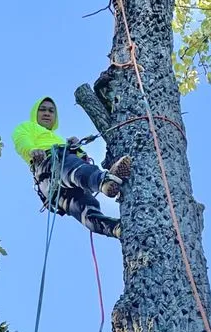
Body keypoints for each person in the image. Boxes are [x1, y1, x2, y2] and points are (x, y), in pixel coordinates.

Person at [12, 97, 131, 240]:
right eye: (42, 110)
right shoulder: (27, 127)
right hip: (49, 164)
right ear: (35, 113)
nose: (46, 113)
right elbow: (21, 141)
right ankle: (104, 181)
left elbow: (81, 157)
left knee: (86, 208)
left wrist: (76, 147)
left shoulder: (58, 139)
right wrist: (32, 150)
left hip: (55, 185)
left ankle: (116, 229)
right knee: (74, 170)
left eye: (51, 111)